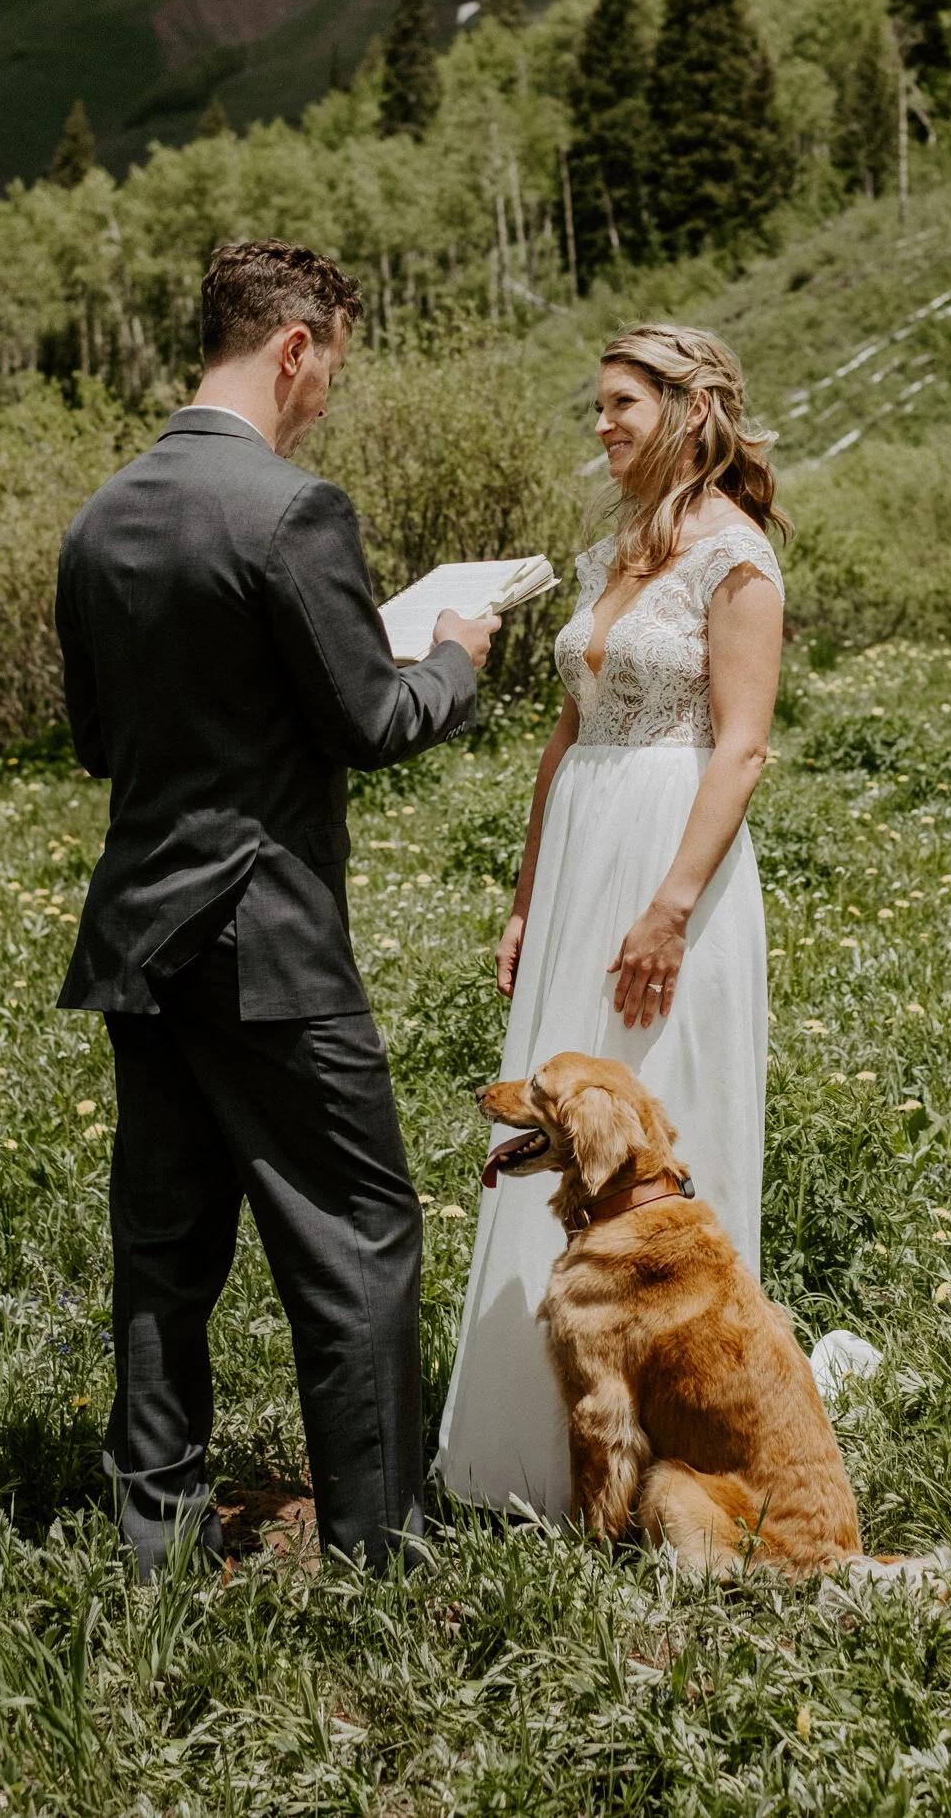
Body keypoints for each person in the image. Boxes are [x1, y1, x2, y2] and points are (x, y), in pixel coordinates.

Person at [56, 239, 498, 1579]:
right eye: (328, 372)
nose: (323, 400)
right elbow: (370, 722)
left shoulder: (99, 518)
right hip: (266, 934)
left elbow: (97, 741)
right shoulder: (293, 511)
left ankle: (157, 1542)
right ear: (293, 347)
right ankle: (376, 1554)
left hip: (142, 935)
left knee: (165, 1246)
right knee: (359, 1232)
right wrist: (454, 658)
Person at [436, 322, 785, 1519]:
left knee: (650, 1111)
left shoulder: (734, 558)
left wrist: (669, 907)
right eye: (596, 404)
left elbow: (741, 748)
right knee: (559, 1112)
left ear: (691, 411)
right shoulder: (610, 552)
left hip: (669, 856)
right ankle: (537, 1441)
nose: (600, 424)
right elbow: (566, 735)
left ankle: (683, 1436)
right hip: (582, 854)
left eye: (622, 404)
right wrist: (526, 896)